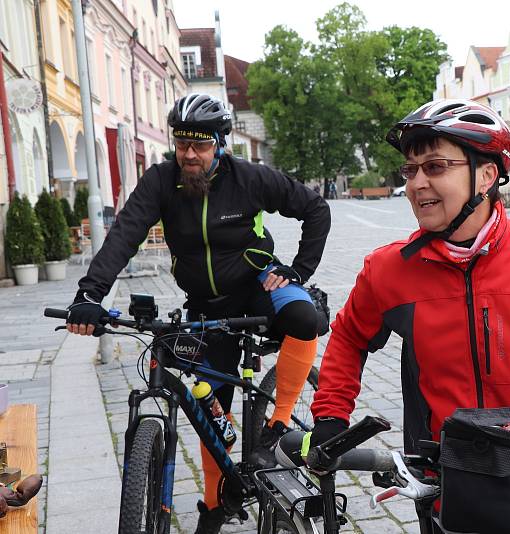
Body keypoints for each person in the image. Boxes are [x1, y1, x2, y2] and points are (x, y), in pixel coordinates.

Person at [308, 99, 510, 531]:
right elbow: (349, 338)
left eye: (435, 167)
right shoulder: (389, 270)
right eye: (411, 170)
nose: (416, 184)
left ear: (486, 175)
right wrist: (331, 416)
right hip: (443, 477)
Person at [65, 93, 331, 533]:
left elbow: (315, 210)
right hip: (207, 307)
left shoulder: (250, 179)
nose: (189, 154)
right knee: (215, 412)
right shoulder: (160, 181)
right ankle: (214, 504)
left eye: (200, 144)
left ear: (219, 143)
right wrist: (90, 295)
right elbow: (125, 233)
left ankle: (279, 422)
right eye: (182, 143)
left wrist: (296, 271)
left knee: (304, 318)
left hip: (256, 289)